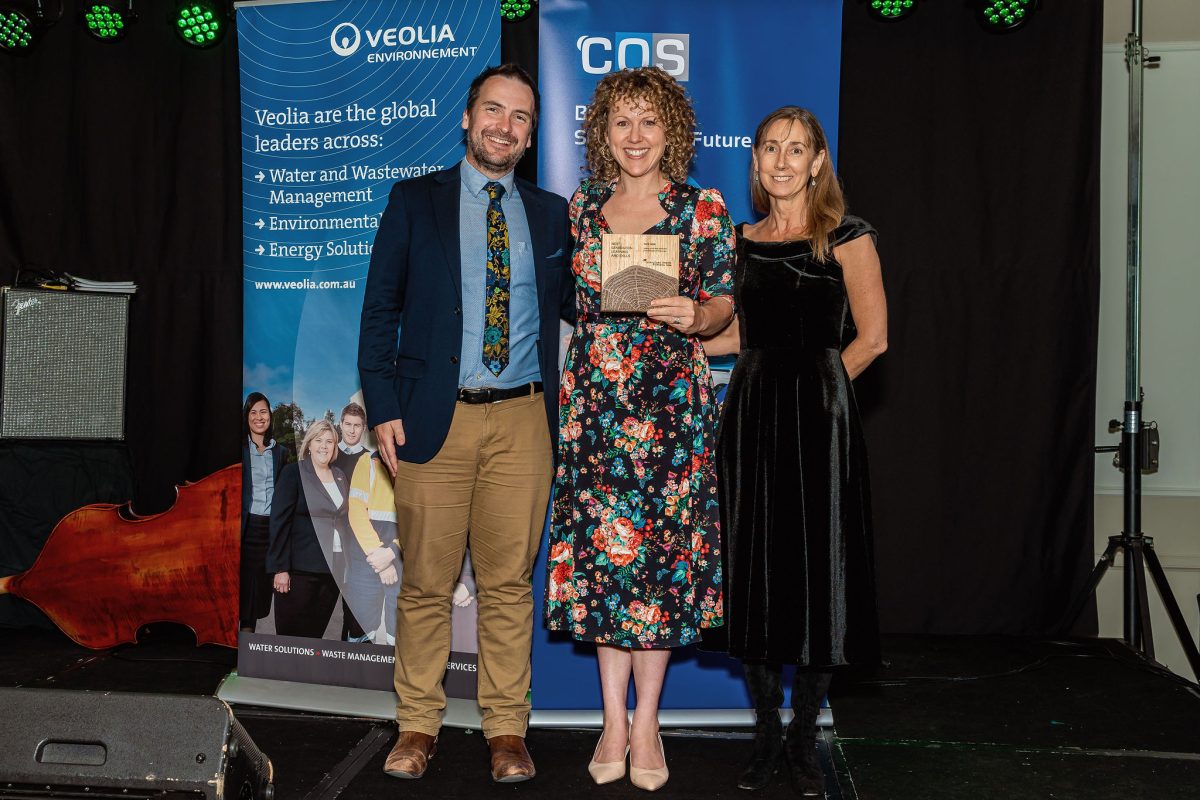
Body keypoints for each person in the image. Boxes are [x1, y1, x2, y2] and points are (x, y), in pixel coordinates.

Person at [358, 63, 573, 783]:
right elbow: (379, 310)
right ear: (467, 117)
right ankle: (417, 725)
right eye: (493, 110)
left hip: (523, 423)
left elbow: (588, 301)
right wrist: (383, 406)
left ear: (531, 134)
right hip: (430, 421)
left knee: (509, 584)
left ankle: (506, 732)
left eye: (520, 118)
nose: (504, 126)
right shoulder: (415, 201)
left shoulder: (550, 214)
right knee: (425, 582)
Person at [543, 66, 735, 791]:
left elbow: (722, 303)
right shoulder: (581, 206)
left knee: (656, 564)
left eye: (649, 122)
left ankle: (647, 720)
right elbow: (566, 303)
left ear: (672, 131)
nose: (635, 136)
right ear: (602, 132)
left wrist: (700, 315)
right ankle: (611, 721)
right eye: (622, 122)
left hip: (670, 411)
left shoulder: (702, 207)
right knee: (606, 569)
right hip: (596, 407)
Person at [702, 106, 887, 797]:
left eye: (796, 148)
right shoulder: (741, 241)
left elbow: (873, 339)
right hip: (750, 420)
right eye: (770, 147)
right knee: (753, 573)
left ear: (817, 162)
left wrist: (826, 394)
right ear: (755, 161)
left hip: (819, 423)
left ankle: (806, 736)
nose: (782, 159)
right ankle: (765, 736)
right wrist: (673, 335)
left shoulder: (848, 235)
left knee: (815, 576)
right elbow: (738, 338)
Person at [266, 419, 350, 639]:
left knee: (315, 637)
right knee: (291, 638)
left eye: (329, 441)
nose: (324, 445)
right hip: (299, 571)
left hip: (332, 571)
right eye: (319, 440)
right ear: (309, 445)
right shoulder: (293, 473)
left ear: (335, 446)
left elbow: (345, 521)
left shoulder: (340, 476)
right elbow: (279, 522)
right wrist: (280, 569)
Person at [240, 392, 290, 633]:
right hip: (246, 528)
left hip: (271, 529)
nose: (259, 417)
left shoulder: (281, 453)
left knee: (261, 592)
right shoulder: (238, 450)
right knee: (245, 592)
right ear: (246, 417)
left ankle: (255, 644)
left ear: (270, 416)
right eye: (253, 412)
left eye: (263, 412)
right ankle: (242, 642)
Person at [345, 449, 400, 644]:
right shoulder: (367, 461)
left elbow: (421, 515)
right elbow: (356, 510)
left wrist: (394, 551)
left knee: (399, 631)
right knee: (360, 628)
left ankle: (393, 672)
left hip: (404, 558)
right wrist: (379, 555)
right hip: (367, 557)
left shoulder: (419, 463)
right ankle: (357, 673)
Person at [335, 402, 372, 641]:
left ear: (364, 428)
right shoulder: (328, 453)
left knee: (354, 595)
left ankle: (347, 646)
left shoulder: (369, 460)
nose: (351, 430)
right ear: (340, 424)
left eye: (356, 426)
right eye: (347, 424)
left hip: (357, 537)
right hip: (331, 535)